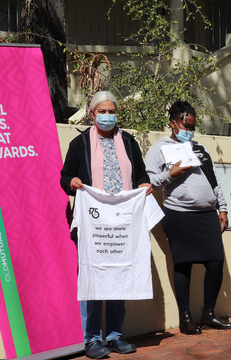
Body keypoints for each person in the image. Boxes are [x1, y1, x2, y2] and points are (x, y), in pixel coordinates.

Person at [60, 91, 152, 359]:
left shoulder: (129, 142)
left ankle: (114, 336)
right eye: (103, 111)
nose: (108, 116)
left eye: (112, 111)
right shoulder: (80, 144)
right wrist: (72, 182)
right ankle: (92, 340)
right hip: (93, 224)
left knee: (118, 276)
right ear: (92, 114)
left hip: (123, 223)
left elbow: (141, 173)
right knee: (92, 275)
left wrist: (145, 184)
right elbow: (64, 176)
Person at [144, 101, 231, 334]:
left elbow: (214, 181)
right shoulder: (159, 148)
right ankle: (185, 319)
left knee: (215, 264)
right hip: (179, 214)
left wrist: (222, 208)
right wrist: (170, 174)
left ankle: (209, 314)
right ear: (173, 123)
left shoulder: (200, 148)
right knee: (183, 265)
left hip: (207, 215)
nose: (189, 131)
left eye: (193, 127)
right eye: (186, 125)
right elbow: (148, 182)